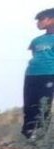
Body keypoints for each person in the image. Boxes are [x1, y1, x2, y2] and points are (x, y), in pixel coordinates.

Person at [24, 8, 54, 138]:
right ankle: (28, 132)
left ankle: (42, 133)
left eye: (42, 19)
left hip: (49, 74)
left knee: (44, 103)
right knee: (30, 103)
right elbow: (35, 55)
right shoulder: (36, 40)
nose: (38, 23)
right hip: (31, 74)